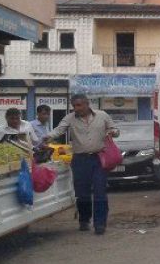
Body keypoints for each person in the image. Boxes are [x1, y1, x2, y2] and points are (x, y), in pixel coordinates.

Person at [43, 94, 118, 235]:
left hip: (99, 159)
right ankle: (84, 220)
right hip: (80, 160)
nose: (76, 108)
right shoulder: (70, 118)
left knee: (100, 192)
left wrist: (114, 132)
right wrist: (48, 137)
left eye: (79, 105)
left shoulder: (102, 115)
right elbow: (59, 130)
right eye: (74, 106)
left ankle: (100, 224)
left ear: (87, 104)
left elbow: (115, 129)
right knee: (82, 194)